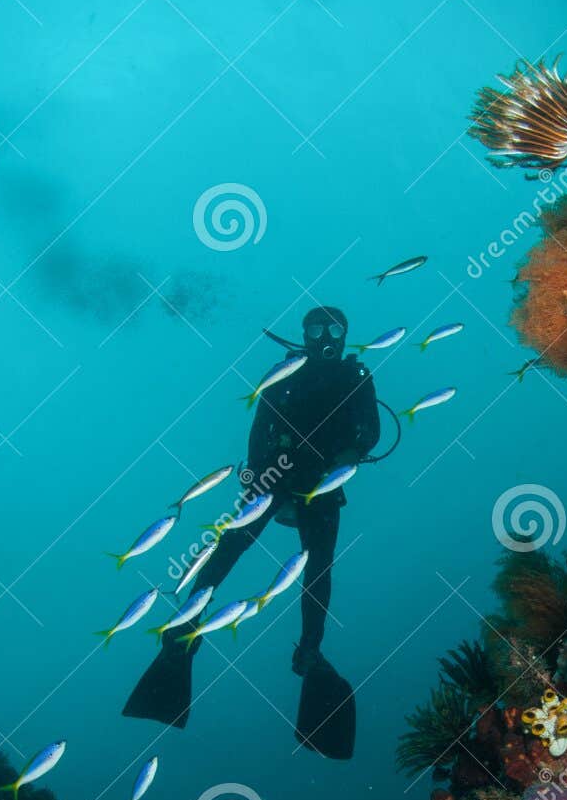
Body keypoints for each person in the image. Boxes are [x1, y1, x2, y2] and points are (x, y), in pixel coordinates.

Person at [123, 305, 379, 749]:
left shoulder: (356, 376)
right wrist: (257, 479)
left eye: (334, 328)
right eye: (316, 327)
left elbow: (371, 432)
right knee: (228, 546)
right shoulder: (286, 372)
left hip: (323, 483)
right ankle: (186, 623)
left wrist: (349, 456)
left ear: (344, 335)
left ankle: (310, 650)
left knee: (318, 567)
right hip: (273, 477)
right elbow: (258, 430)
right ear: (304, 333)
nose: (324, 336)